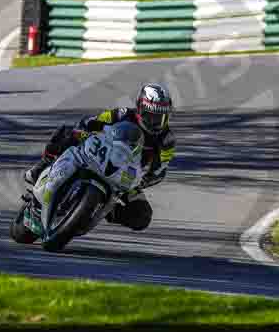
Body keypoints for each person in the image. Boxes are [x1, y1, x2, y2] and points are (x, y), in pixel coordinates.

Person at [22, 83, 176, 234]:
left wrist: (144, 181)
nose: (154, 122)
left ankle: (105, 210)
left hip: (126, 176)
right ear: (140, 108)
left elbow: (160, 169)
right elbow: (93, 121)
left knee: (143, 216)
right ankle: (42, 166)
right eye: (150, 116)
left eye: (160, 118)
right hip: (101, 153)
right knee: (66, 133)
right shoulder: (123, 114)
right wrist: (83, 130)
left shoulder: (166, 140)